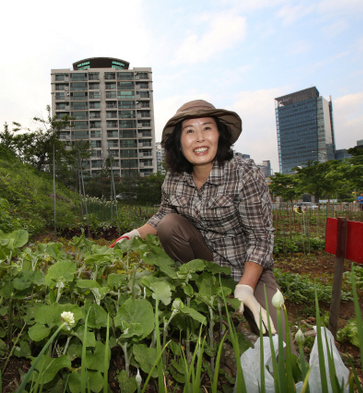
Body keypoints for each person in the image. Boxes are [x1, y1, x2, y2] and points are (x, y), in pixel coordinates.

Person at [111, 100, 284, 337]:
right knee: (169, 224)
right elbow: (163, 215)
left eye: (207, 128)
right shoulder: (175, 178)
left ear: (220, 136)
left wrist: (246, 286)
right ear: (179, 143)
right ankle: (200, 293)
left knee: (280, 348)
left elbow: (261, 236)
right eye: (190, 131)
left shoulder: (244, 173)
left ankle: (242, 302)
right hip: (206, 264)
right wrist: (131, 236)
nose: (200, 138)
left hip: (248, 266)